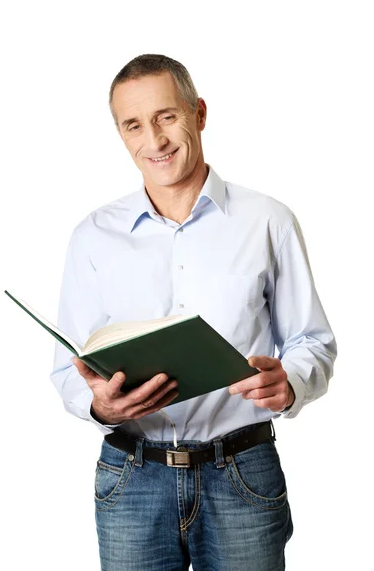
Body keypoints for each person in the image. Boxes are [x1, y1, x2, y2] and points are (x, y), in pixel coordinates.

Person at [51, 54, 337, 571]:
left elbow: (312, 342)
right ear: (120, 134)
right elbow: (67, 365)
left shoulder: (267, 221)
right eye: (133, 125)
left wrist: (290, 381)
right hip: (132, 479)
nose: (154, 141)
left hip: (242, 474)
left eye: (166, 116)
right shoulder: (92, 236)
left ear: (199, 113)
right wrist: (102, 408)